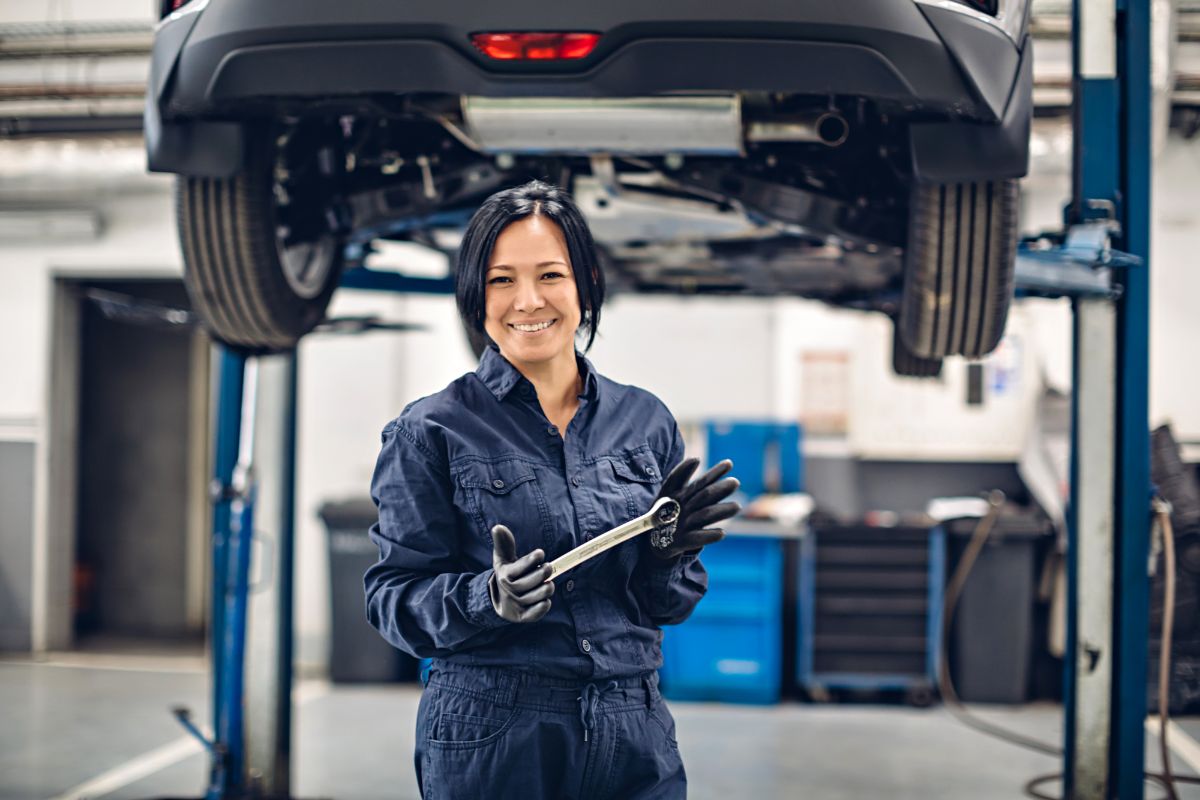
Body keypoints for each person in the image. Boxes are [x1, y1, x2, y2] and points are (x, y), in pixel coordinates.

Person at [365, 179, 740, 799]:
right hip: (495, 731)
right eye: (501, 279)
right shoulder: (429, 430)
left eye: (550, 275)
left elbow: (667, 607)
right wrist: (487, 598)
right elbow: (391, 596)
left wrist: (666, 556)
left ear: (585, 283)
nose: (528, 300)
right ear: (474, 294)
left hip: (633, 725)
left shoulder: (645, 421)